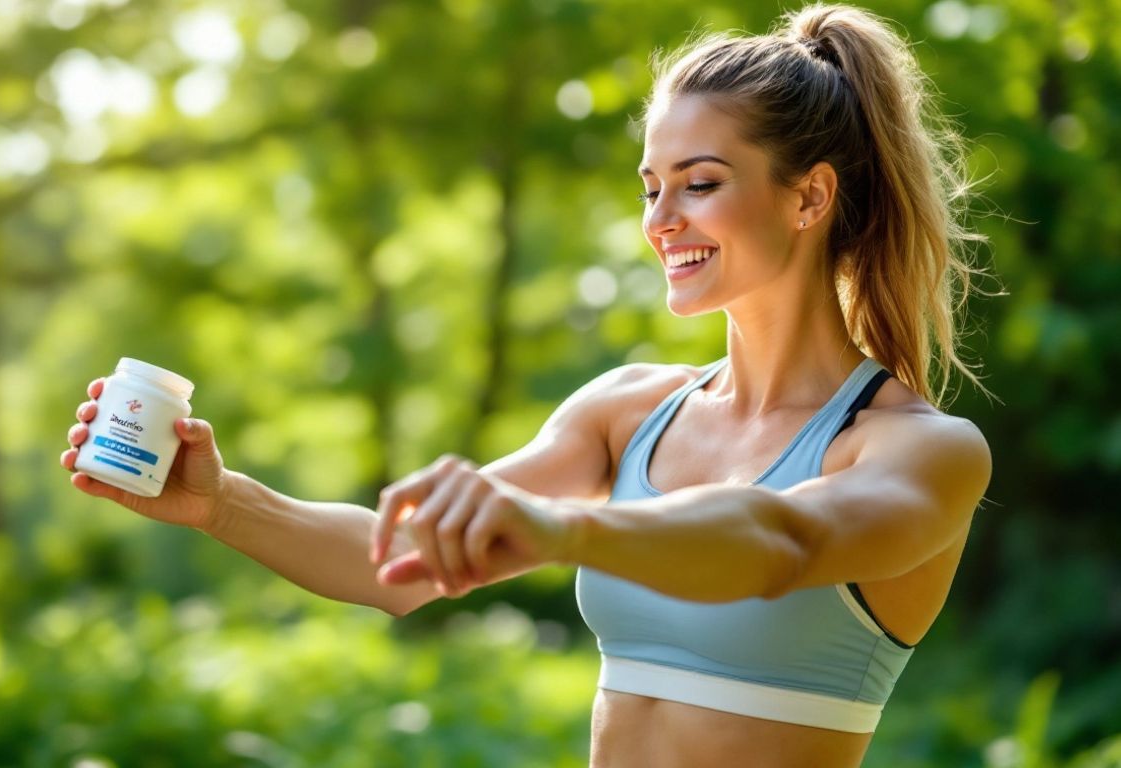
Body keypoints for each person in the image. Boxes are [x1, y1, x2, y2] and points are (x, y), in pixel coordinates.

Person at [61, 3, 995, 765]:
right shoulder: (628, 411)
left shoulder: (921, 451)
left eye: (698, 183)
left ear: (808, 196)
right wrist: (223, 503)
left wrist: (562, 528)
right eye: (648, 187)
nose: (660, 220)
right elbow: (398, 568)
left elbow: (776, 541)